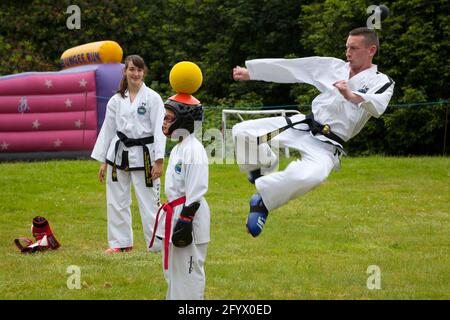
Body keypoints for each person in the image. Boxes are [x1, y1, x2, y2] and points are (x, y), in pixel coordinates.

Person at [232, 27, 395, 237]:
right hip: (303, 126)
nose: (348, 52)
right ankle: (263, 167)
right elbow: (293, 68)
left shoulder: (381, 81)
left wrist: (350, 94)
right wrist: (251, 73)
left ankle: (262, 202)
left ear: (371, 50)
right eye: (347, 47)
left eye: (354, 48)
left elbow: (377, 106)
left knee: (312, 176)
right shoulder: (334, 67)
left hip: (328, 145)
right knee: (242, 131)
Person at [91, 55, 166, 253]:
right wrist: (103, 161)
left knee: (150, 201)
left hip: (145, 155)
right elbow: (108, 129)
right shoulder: (116, 100)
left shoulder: (153, 98)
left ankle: (157, 244)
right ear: (125, 71)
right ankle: (120, 243)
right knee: (116, 200)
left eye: (139, 70)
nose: (136, 73)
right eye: (132, 69)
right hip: (118, 154)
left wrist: (159, 161)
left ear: (144, 72)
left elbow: (160, 130)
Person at [149, 92, 210, 300]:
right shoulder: (178, 148)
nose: (164, 123)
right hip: (176, 212)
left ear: (184, 120)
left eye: (168, 118)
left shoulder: (194, 150)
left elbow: (197, 190)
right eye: (164, 118)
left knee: (189, 273)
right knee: (175, 273)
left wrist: (185, 221)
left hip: (189, 216)